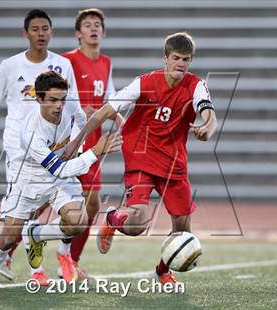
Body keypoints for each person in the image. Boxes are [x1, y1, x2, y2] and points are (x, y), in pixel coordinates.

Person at [65, 32, 217, 285]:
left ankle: (162, 272)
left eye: (186, 59)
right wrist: (76, 141)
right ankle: (113, 220)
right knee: (137, 226)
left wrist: (207, 130)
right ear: (165, 58)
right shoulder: (145, 82)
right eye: (176, 58)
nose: (181, 64)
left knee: (182, 229)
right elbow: (105, 112)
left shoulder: (196, 85)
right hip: (141, 155)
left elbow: (209, 113)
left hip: (173, 162)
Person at [0, 71, 122, 293]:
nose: (59, 106)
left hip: (58, 179)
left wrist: (76, 146)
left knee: (78, 222)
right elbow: (59, 170)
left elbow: (81, 120)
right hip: (29, 180)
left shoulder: (68, 106)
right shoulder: (30, 131)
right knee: (9, 237)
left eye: (61, 99)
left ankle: (35, 235)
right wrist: (94, 152)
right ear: (38, 99)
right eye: (52, 100)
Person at [0, 9, 86, 283]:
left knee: (72, 217)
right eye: (35, 29)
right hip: (20, 154)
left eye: (45, 28)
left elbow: (76, 109)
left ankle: (29, 254)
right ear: (26, 34)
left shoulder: (62, 65)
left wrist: (78, 147)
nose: (41, 33)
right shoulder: (10, 66)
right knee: (24, 216)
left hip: (55, 153)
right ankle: (36, 272)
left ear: (52, 32)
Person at [62, 8, 123, 280]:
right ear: (78, 33)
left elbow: (110, 100)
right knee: (38, 202)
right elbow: (53, 95)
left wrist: (122, 120)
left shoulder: (106, 62)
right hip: (67, 141)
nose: (93, 28)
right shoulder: (66, 61)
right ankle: (8, 252)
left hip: (93, 144)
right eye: (87, 25)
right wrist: (76, 109)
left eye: (97, 24)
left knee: (92, 205)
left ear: (104, 32)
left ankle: (71, 262)